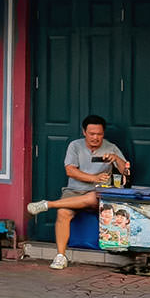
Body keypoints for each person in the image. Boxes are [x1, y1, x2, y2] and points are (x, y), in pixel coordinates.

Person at [27, 113, 131, 270]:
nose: (95, 137)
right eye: (92, 134)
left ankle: (49, 204)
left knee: (92, 197)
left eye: (99, 134)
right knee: (63, 213)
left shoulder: (111, 147)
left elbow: (126, 172)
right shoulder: (75, 146)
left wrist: (116, 158)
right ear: (84, 132)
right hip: (74, 191)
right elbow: (70, 171)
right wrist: (94, 178)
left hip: (97, 195)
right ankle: (61, 256)